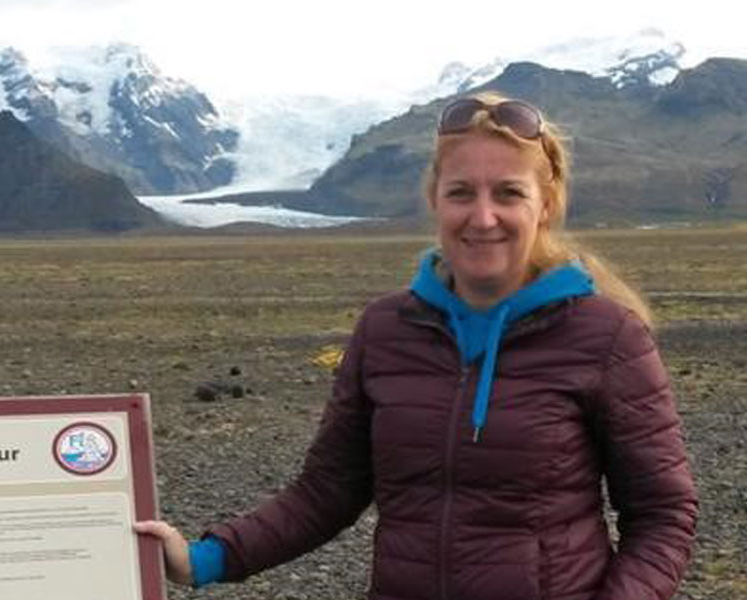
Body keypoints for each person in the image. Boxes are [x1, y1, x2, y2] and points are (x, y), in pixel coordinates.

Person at [136, 92, 698, 600]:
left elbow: (663, 515)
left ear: (545, 204)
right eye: (461, 193)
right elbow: (327, 491)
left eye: (508, 193)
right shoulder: (385, 329)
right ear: (434, 200)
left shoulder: (605, 336)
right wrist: (204, 558)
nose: (483, 217)